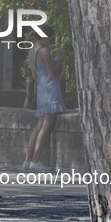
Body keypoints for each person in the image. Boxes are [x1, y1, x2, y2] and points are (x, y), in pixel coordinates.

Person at [23, 25, 65, 171]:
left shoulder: (32, 50)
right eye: (51, 38)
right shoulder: (45, 51)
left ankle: (28, 159)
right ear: (45, 37)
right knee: (46, 126)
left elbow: (34, 75)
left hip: (40, 88)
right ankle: (35, 160)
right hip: (50, 88)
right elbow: (53, 73)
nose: (51, 41)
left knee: (39, 125)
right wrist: (58, 61)